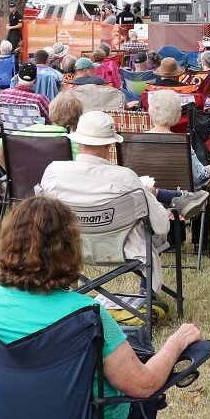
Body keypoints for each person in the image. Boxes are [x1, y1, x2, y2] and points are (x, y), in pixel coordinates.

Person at [0, 195, 203, 419]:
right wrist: (176, 342)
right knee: (144, 395)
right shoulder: (88, 316)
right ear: (69, 248)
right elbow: (144, 386)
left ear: (8, 244)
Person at [37, 112, 174, 294]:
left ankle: (63, 291)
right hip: (123, 248)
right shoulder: (125, 178)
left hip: (65, 246)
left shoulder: (53, 172)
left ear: (78, 141)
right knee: (152, 231)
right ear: (109, 144)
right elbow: (162, 226)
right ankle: (146, 295)